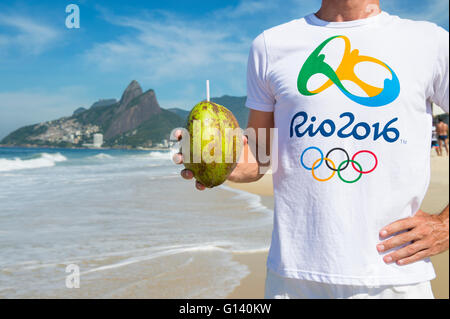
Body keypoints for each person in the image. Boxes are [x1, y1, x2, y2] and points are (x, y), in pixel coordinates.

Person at [174, 0, 449, 299]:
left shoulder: (429, 42)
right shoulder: (270, 45)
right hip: (293, 279)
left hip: (393, 275)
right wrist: (217, 160)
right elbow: (260, 155)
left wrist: (445, 224)